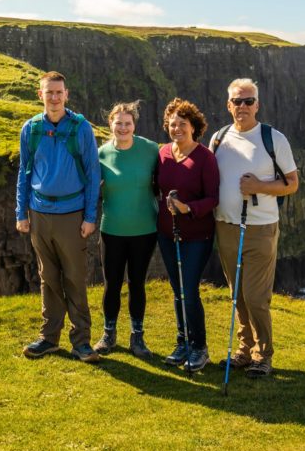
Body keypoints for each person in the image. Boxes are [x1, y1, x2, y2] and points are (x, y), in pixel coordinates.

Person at [211, 78, 299, 378]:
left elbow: (292, 183)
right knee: (238, 294)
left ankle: (264, 355)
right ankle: (244, 351)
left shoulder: (274, 139)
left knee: (256, 296)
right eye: (238, 101)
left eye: (249, 101)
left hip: (260, 228)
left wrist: (259, 186)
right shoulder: (219, 138)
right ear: (229, 105)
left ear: (257, 105)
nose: (243, 106)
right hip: (225, 226)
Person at [17, 71, 101, 362]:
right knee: (47, 277)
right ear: (40, 95)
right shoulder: (31, 129)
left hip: (72, 214)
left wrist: (90, 217)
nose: (54, 97)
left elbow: (93, 173)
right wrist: (21, 212)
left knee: (75, 278)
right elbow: (24, 173)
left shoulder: (81, 128)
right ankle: (48, 338)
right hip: (39, 214)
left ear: (67, 95)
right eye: (48, 92)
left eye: (59, 92)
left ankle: (81, 341)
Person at [156, 97, 219, 372]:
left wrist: (187, 208)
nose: (177, 128)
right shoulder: (163, 153)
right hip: (167, 234)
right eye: (172, 124)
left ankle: (199, 347)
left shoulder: (205, 158)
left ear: (194, 126)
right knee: (177, 291)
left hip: (197, 236)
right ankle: (182, 342)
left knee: (189, 290)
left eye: (183, 124)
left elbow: (213, 198)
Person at [94, 101, 160, 358]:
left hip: (144, 229)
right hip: (112, 229)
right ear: (110, 124)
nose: (123, 127)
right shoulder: (101, 153)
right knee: (111, 284)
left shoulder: (150, 150)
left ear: (135, 125)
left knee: (137, 284)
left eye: (127, 123)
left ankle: (138, 337)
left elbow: (166, 177)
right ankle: (108, 334)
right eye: (118, 123)